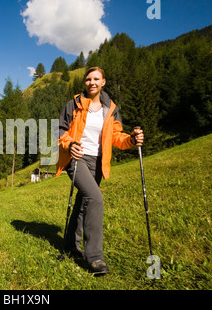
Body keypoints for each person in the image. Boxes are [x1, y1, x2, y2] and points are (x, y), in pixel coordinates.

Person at [56, 66, 144, 275]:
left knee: (84, 201)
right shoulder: (73, 105)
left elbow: (116, 136)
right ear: (84, 82)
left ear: (103, 82)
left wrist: (131, 139)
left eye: (96, 79)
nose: (92, 82)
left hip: (98, 161)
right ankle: (95, 258)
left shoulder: (110, 109)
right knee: (95, 198)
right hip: (75, 157)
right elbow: (61, 131)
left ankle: (70, 245)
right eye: (88, 79)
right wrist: (69, 144)